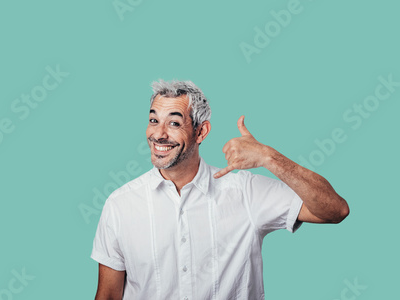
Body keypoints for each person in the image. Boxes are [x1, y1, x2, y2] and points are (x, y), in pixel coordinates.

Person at [91, 79, 349, 300]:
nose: (158, 134)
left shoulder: (246, 192)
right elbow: (108, 296)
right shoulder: (120, 204)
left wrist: (269, 157)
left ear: (201, 132)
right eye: (153, 120)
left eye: (174, 123)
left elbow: (334, 210)